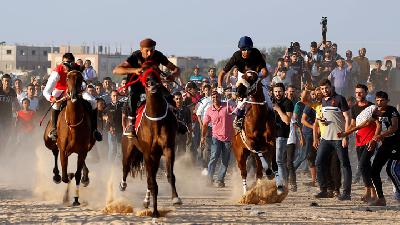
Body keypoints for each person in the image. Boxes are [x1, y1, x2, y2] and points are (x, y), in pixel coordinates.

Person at [339, 91, 400, 206]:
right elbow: (366, 123)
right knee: (374, 171)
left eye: (382, 100)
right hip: (386, 145)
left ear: (387, 101)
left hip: (396, 144)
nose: (379, 103)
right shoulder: (376, 112)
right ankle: (381, 199)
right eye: (377, 100)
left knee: (390, 169)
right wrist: (347, 133)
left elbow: (394, 127)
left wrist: (379, 136)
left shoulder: (392, 111)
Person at [113, 38, 180, 136]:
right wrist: (135, 70)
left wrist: (173, 75)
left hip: (154, 83)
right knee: (133, 96)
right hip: (137, 84)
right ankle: (131, 124)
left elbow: (176, 69)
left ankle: (176, 121)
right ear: (141, 50)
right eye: (147, 51)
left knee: (169, 97)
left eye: (152, 50)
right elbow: (116, 70)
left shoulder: (158, 55)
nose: (149, 53)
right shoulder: (135, 56)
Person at [43, 53, 102, 142]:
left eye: (70, 63)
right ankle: (54, 129)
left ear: (73, 63)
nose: (67, 66)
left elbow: (83, 83)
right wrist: (52, 98)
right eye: (65, 63)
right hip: (60, 91)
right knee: (56, 105)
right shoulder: (57, 72)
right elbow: (46, 91)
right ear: (62, 63)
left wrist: (79, 90)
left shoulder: (77, 68)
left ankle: (94, 130)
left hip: (76, 91)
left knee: (93, 101)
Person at [217, 36, 269, 130]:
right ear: (240, 49)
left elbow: (265, 72)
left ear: (251, 49)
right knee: (242, 100)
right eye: (243, 49)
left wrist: (259, 79)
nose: (245, 52)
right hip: (242, 77)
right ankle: (239, 118)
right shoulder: (236, 56)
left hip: (255, 76)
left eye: (248, 49)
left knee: (267, 97)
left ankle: (272, 119)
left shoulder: (256, 53)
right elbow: (222, 73)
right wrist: (219, 86)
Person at [313, 79, 352, 200]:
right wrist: (323, 121)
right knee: (318, 162)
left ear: (331, 87)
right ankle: (324, 190)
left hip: (339, 138)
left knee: (344, 164)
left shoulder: (340, 99)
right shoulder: (323, 101)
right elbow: (325, 118)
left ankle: (346, 193)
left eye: (326, 88)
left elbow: (347, 117)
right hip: (325, 138)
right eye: (322, 89)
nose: (325, 91)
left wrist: (345, 136)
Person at [339, 84, 377, 202]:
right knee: (365, 166)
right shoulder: (354, 108)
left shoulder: (372, 107)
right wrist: (346, 133)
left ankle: (373, 193)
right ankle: (369, 191)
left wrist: (375, 138)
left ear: (366, 93)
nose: (358, 95)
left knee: (362, 164)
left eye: (361, 92)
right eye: (356, 93)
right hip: (359, 140)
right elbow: (353, 124)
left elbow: (376, 124)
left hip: (370, 140)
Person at [201, 90, 234, 187]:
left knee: (225, 159)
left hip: (228, 137)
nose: (215, 99)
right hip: (216, 137)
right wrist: (202, 137)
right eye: (213, 97)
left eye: (217, 97)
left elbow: (237, 111)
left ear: (220, 97)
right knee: (214, 157)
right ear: (211, 98)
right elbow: (205, 125)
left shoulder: (227, 106)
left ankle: (220, 179)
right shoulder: (209, 110)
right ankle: (209, 179)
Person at [272, 82, 294, 192]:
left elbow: (287, 120)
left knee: (279, 161)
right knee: (274, 161)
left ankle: (284, 185)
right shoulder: (272, 101)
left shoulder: (288, 103)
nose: (277, 93)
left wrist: (278, 109)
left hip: (282, 134)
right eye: (275, 91)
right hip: (271, 134)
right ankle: (278, 183)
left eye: (279, 91)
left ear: (284, 92)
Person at [104, 90, 124, 162]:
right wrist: (106, 118)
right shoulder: (108, 106)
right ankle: (110, 166)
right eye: (114, 96)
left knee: (120, 150)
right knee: (112, 149)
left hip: (121, 130)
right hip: (111, 130)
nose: (115, 97)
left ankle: (116, 167)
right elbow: (103, 115)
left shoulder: (123, 105)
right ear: (111, 97)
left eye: (117, 95)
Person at [0, 74, 17, 151]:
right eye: (6, 81)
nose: (7, 82)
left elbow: (15, 103)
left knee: (7, 135)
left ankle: (3, 151)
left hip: (8, 117)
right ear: (2, 81)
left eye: (8, 81)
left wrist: (16, 113)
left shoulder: (12, 92)